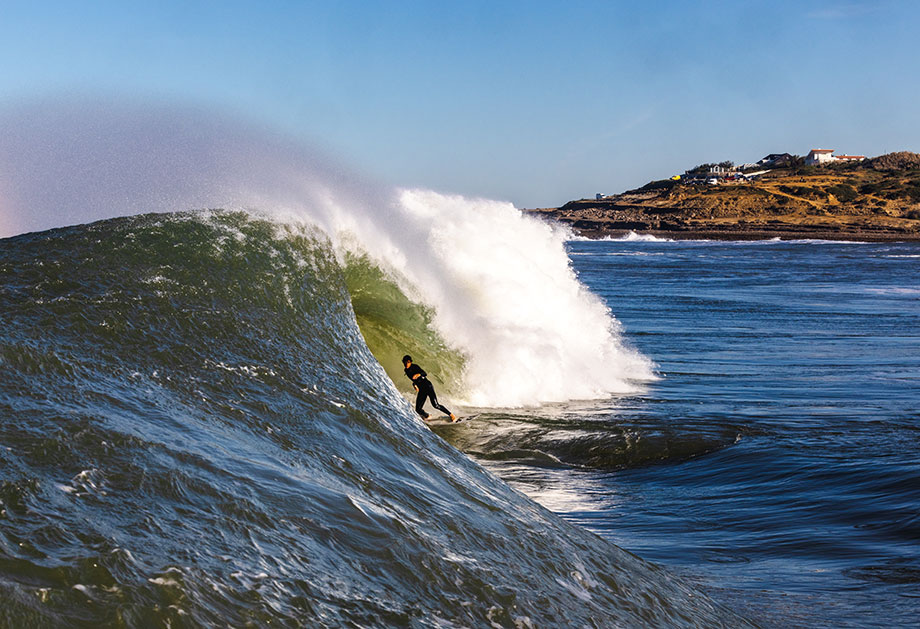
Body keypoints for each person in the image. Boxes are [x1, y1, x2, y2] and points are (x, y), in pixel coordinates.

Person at [402, 355, 457, 422]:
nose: (406, 364)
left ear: (410, 362)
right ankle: (427, 416)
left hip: (428, 386)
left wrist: (418, 374)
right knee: (418, 409)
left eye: (407, 362)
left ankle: (451, 415)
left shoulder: (415, 366)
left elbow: (424, 373)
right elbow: (413, 380)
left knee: (435, 405)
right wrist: (414, 384)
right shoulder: (406, 371)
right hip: (422, 389)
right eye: (405, 362)